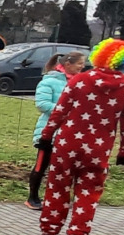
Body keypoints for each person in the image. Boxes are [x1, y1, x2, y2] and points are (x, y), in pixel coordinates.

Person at [36, 39, 124, 235]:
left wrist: (47, 135)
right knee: (89, 193)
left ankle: (49, 233)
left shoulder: (80, 80)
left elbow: (60, 110)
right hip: (98, 148)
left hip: (68, 143)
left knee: (57, 187)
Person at [28, 51, 85, 208]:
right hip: (49, 131)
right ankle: (32, 197)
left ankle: (56, 198)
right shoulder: (49, 81)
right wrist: (67, 110)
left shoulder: (79, 82)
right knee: (41, 165)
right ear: (68, 64)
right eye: (79, 63)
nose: (82, 66)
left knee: (63, 168)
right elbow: (42, 104)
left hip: (70, 132)